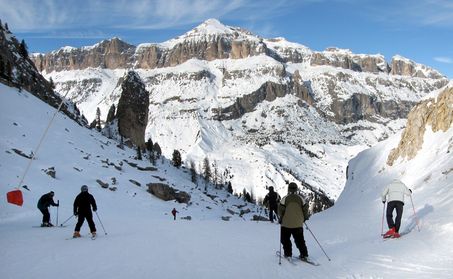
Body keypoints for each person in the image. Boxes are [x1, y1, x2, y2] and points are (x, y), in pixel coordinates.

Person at [278, 182, 310, 261]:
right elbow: (305, 209)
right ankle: (304, 255)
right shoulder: (301, 198)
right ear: (296, 189)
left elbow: (280, 210)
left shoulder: (284, 198)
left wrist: (281, 218)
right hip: (298, 224)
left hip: (286, 224)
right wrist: (304, 218)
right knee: (300, 240)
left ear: (288, 189)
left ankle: (288, 254)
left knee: (285, 239)